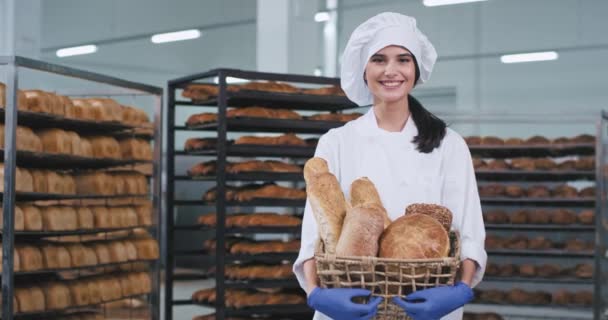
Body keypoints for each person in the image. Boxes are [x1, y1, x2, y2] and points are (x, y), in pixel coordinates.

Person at [293, 12, 487, 320]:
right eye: (379, 59)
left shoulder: (449, 144)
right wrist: (316, 294)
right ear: (364, 69)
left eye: (403, 60)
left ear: (416, 69)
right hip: (351, 306)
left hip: (427, 305)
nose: (391, 71)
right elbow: (314, 235)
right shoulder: (337, 141)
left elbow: (469, 231)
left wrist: (461, 289)